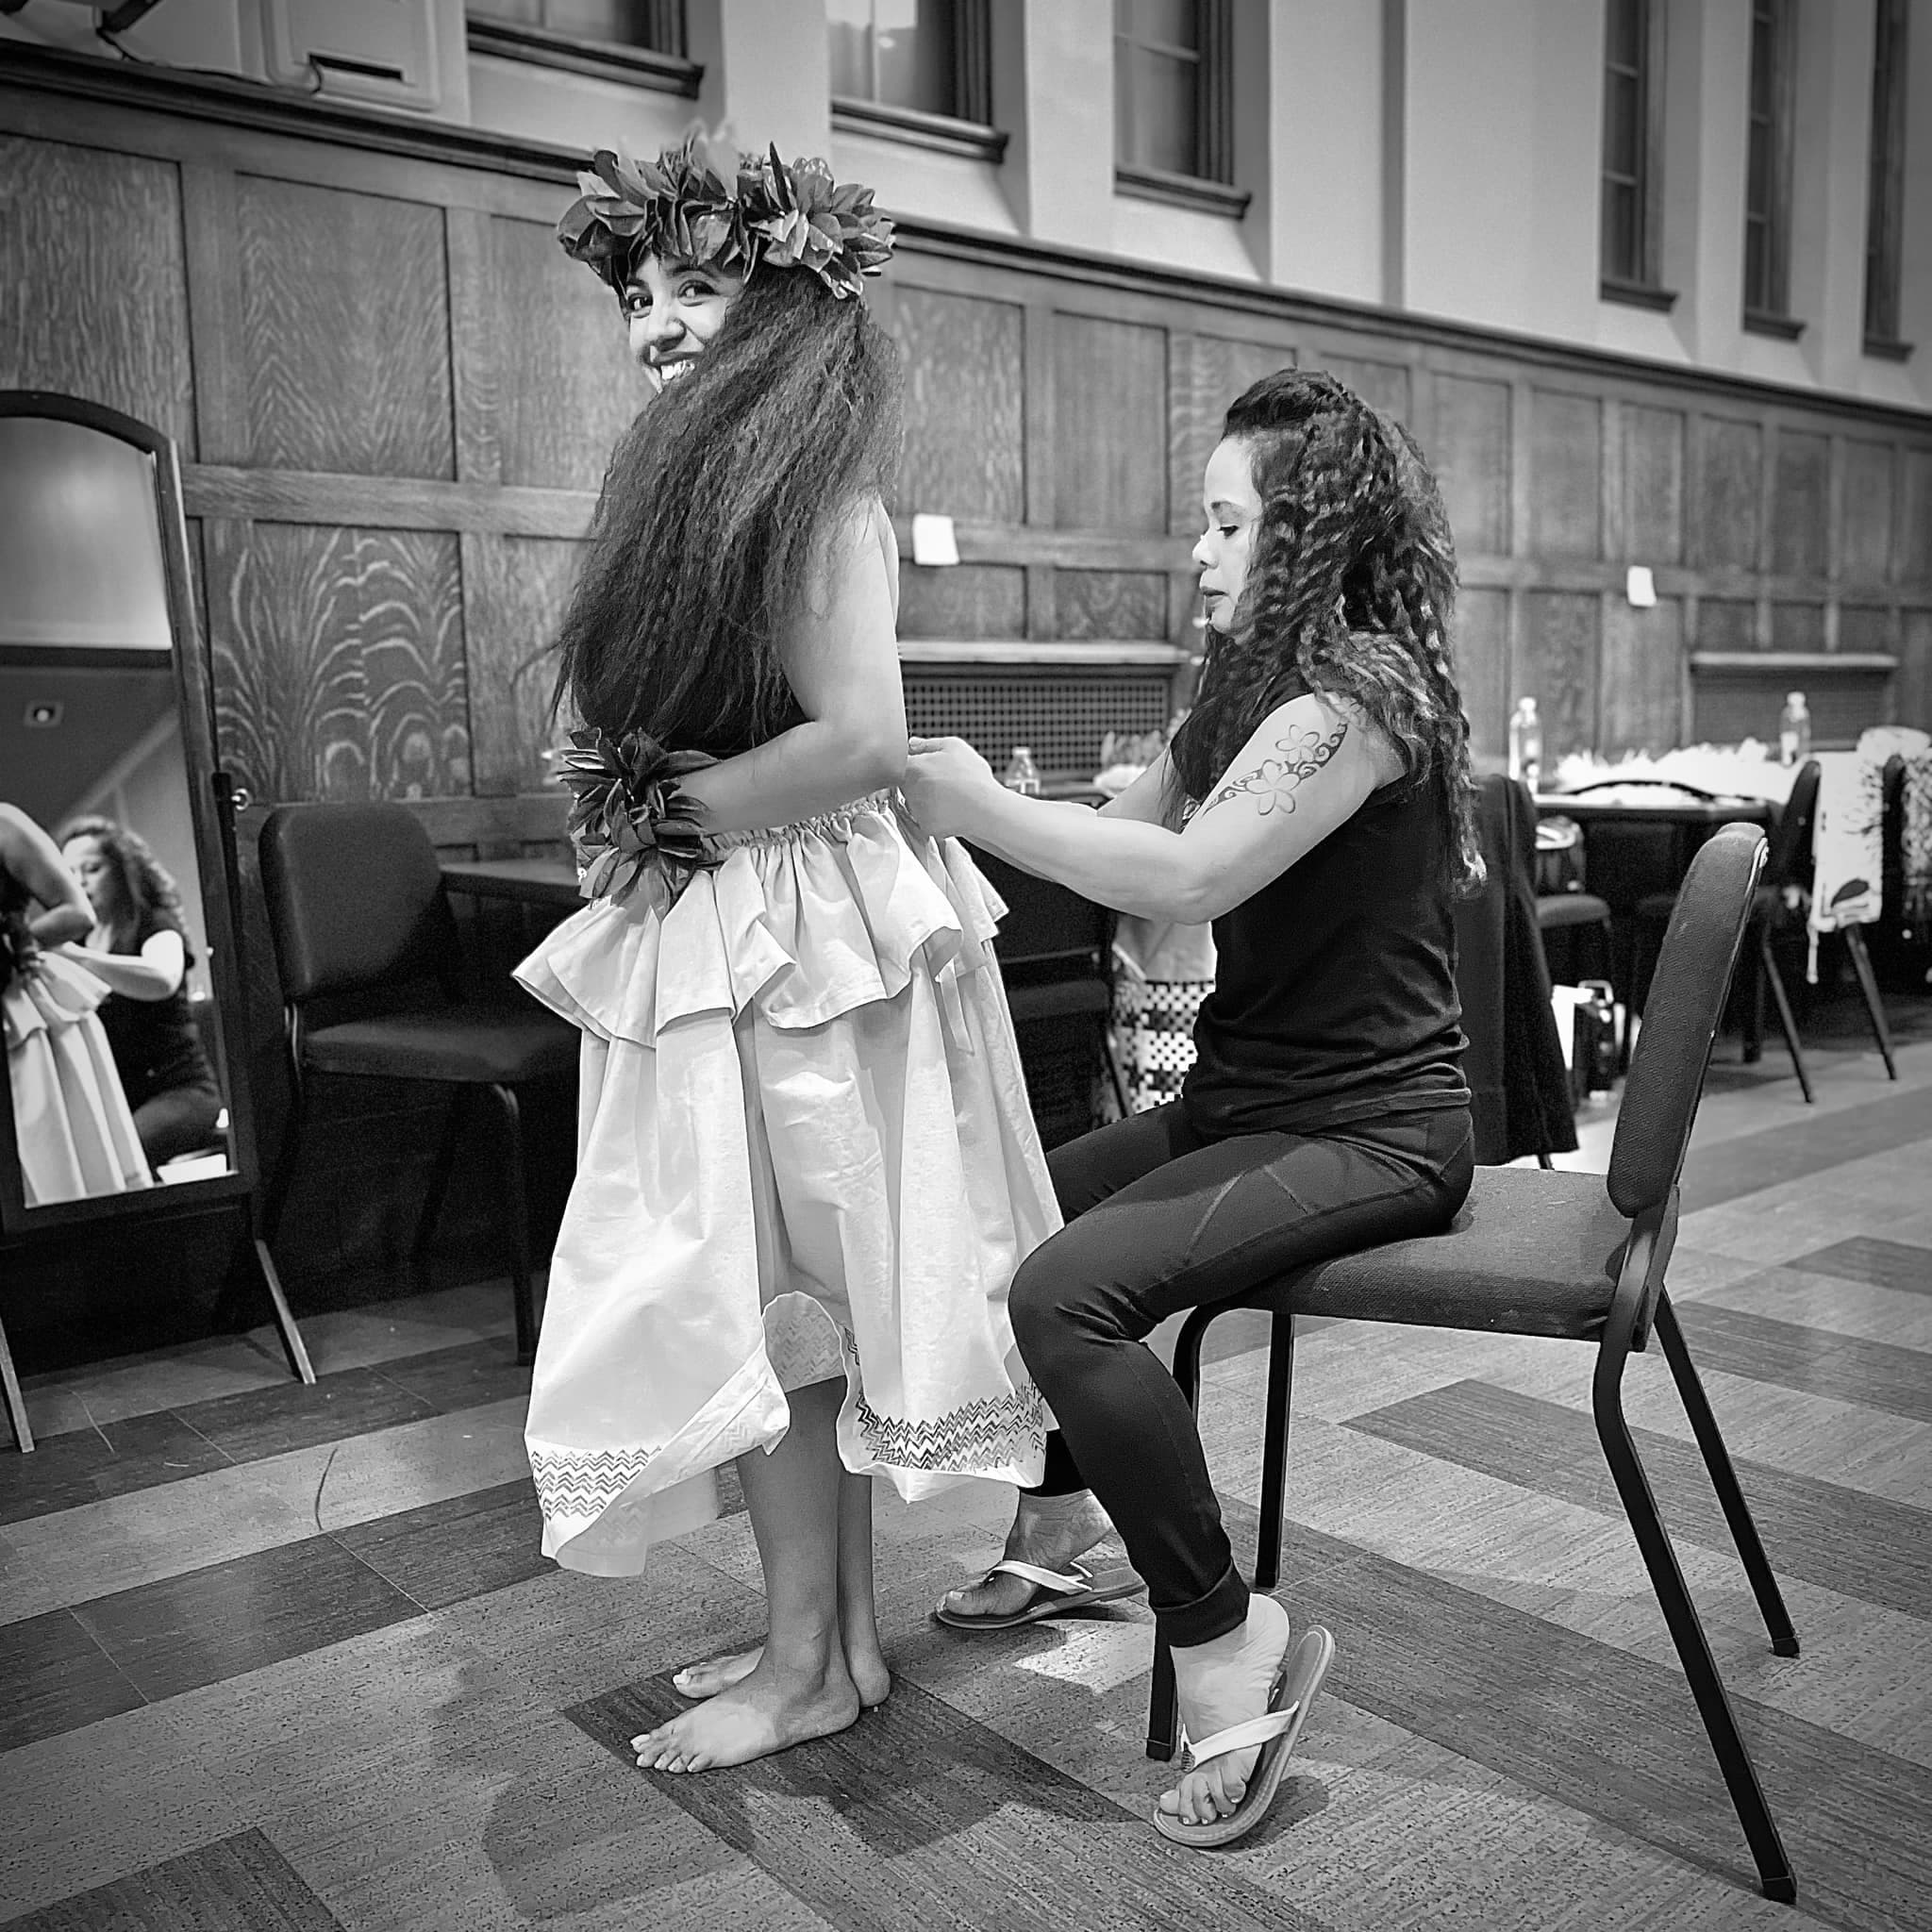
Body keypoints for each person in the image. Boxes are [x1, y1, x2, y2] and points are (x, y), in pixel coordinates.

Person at [515, 136, 1058, 1774]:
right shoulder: (704, 477)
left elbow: (865, 735)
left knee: (792, 1302)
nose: (656, 324)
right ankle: (814, 1644)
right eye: (641, 293)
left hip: (805, 933)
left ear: (778, 303)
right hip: (742, 912)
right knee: (770, 1317)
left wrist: (658, 814)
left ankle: (822, 1654)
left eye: (694, 286)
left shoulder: (816, 484)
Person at [901, 371, 1481, 1844]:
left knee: (1063, 1297)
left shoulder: (1356, 702)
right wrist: (938, 821)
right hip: (1254, 1101)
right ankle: (1060, 1528)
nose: (1203, 556)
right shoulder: (1237, 691)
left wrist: (973, 803)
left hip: (1374, 1125)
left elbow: (1190, 880)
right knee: (1017, 1208)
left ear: (1304, 534)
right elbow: (1127, 836)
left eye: (1227, 526)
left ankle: (1226, 1636)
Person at [1, 803, 150, 1206]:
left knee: (61, 1176)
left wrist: (17, 943)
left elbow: (75, 912)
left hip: (23, 1013)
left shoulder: (5, 824)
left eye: (95, 869)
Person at [58, 817, 223, 1174]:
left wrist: (77, 959)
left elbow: (162, 978)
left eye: (92, 869)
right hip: (119, 1102)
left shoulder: (155, 924)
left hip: (183, 1093)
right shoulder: (82, 942)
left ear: (121, 871)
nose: (80, 882)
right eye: (70, 872)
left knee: (118, 1161)